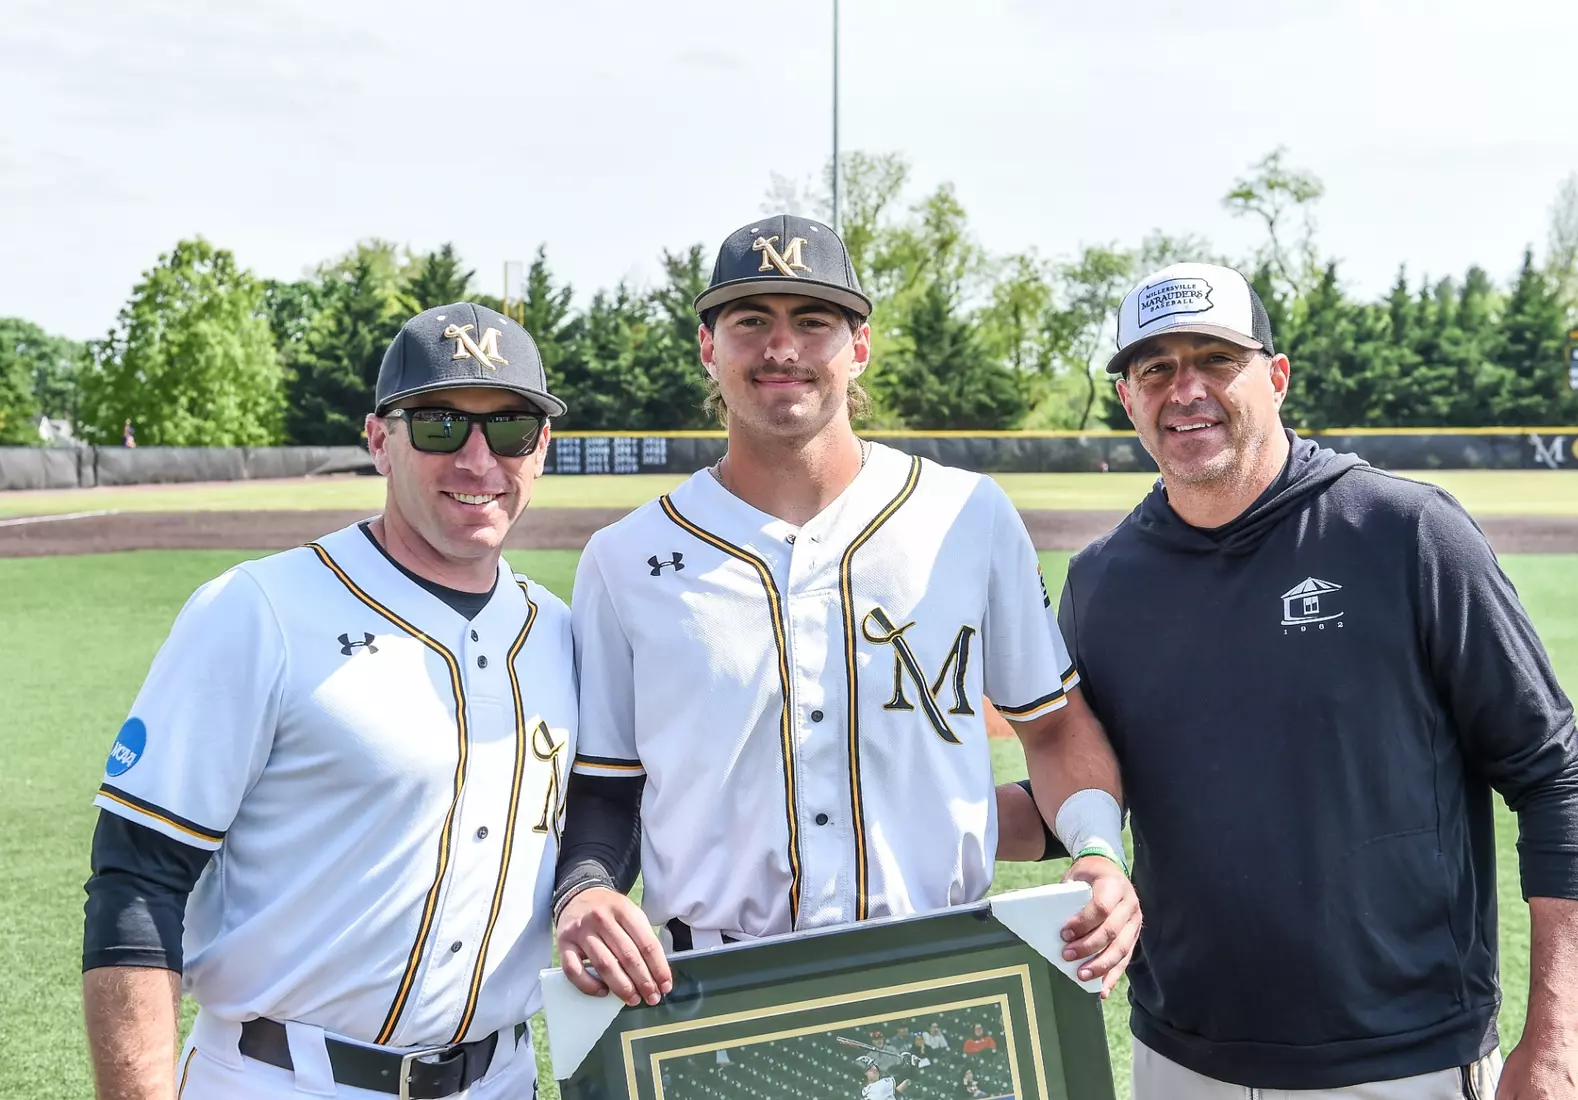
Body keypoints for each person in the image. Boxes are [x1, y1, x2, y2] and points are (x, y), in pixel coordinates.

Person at [551, 214, 1139, 1010]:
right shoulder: (625, 560)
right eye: (750, 320)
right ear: (706, 347)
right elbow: (605, 788)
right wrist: (583, 887)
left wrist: (1098, 850)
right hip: (715, 989)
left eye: (813, 321)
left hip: (942, 966)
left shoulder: (967, 516)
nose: (782, 348)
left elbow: (1056, 725)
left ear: (858, 345)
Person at [1059, 263, 1578, 1098]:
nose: (1186, 389)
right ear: (1128, 400)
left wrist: (1556, 1040)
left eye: (1215, 359)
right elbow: (1087, 783)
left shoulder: (1405, 533)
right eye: (1155, 368)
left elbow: (1552, 778)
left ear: (1275, 379)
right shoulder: (1101, 579)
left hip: (1401, 1060)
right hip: (1177, 1056)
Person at [81, 302, 575, 1099]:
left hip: (501, 1079)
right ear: (379, 440)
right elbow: (137, 879)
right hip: (283, 1078)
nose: (480, 459)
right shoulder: (259, 609)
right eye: (442, 424)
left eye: (512, 428)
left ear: (542, 448)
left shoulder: (558, 633)